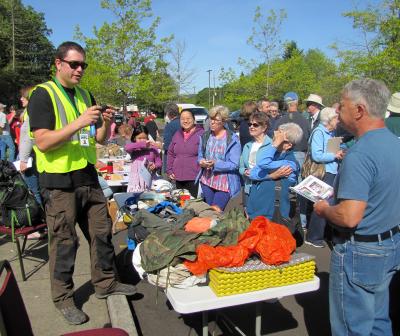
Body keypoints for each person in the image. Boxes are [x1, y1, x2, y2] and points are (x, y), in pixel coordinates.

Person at [27, 41, 137, 325]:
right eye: (74, 64)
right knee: (65, 242)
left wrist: (104, 124)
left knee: (102, 232)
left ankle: (105, 283)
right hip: (58, 182)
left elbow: (97, 140)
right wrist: (79, 122)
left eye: (83, 65)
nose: (79, 70)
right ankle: (63, 298)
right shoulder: (43, 94)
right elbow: (43, 141)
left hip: (88, 177)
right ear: (58, 63)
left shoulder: (86, 94)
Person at [314, 78, 400, 336]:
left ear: (360, 110)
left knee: (352, 328)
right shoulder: (394, 143)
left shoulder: (360, 154)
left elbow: (349, 217)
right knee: (378, 321)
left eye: (342, 106)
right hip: (390, 244)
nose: (337, 111)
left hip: (360, 250)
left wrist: (323, 209)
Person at [245, 121, 303, 220]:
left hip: (273, 215)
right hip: (256, 210)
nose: (273, 139)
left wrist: (275, 144)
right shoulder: (273, 155)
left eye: (278, 138)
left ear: (288, 145)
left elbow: (263, 163)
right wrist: (271, 176)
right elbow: (252, 173)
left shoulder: (290, 164)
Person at [305, 107, 344, 248]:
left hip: (331, 171)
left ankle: (323, 234)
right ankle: (314, 237)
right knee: (323, 203)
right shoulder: (319, 132)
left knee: (330, 203)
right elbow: (316, 155)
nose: (338, 120)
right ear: (329, 120)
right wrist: (335, 155)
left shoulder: (330, 132)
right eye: (336, 118)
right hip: (323, 172)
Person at [239, 111, 293, 211]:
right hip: (248, 186)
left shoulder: (272, 145)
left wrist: (270, 176)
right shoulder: (247, 145)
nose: (251, 127)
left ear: (264, 128)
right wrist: (245, 171)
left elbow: (274, 170)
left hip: (265, 187)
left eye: (255, 124)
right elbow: (241, 167)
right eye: (249, 124)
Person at [197, 105, 241, 211]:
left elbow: (235, 164)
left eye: (216, 120)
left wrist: (216, 164)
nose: (212, 122)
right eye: (211, 119)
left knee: (215, 211)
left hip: (224, 183)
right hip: (206, 181)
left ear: (224, 121)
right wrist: (201, 162)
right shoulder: (205, 136)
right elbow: (199, 156)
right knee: (208, 212)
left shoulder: (232, 139)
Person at [167, 109, 204, 197]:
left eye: (188, 118)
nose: (185, 121)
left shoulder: (202, 134)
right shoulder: (177, 134)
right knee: (180, 203)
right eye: (182, 119)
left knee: (192, 204)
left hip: (194, 176)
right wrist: (169, 170)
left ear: (194, 119)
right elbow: (171, 153)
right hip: (178, 176)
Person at [125, 124, 162, 192]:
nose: (142, 140)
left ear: (147, 137)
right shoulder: (134, 149)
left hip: (149, 179)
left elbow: (159, 162)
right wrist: (142, 144)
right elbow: (127, 148)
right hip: (136, 181)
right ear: (134, 138)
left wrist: (155, 165)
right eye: (139, 138)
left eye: (144, 138)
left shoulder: (153, 148)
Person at [162, 102, 180, 173]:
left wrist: (160, 145)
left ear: (168, 114)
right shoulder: (184, 123)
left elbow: (167, 146)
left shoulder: (170, 126)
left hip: (171, 161)